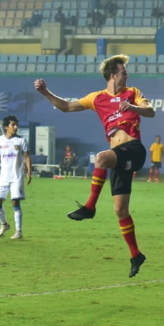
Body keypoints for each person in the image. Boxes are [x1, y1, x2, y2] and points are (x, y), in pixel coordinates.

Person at [34, 54, 155, 278]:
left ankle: (90, 207)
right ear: (112, 75)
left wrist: (135, 108)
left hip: (134, 150)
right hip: (119, 158)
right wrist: (45, 92)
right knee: (120, 210)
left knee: (100, 158)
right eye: (123, 72)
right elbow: (66, 107)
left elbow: (151, 111)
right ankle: (136, 254)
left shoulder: (133, 93)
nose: (127, 75)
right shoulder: (96, 98)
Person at [0, 115, 32, 240]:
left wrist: (29, 171)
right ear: (6, 127)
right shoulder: (0, 140)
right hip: (3, 176)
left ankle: (18, 232)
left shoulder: (21, 140)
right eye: (13, 125)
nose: (16, 127)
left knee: (15, 202)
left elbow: (27, 156)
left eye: (16, 125)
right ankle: (4, 224)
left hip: (17, 177)